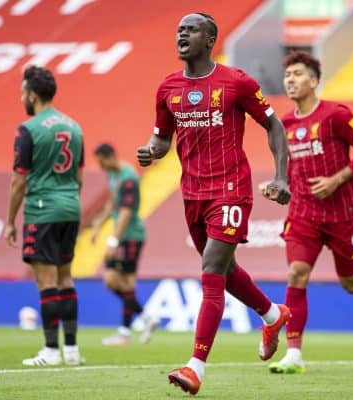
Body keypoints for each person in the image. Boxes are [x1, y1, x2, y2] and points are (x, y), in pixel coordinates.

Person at [136, 13, 292, 396]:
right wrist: (151, 151)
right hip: (191, 193)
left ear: (210, 40)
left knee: (211, 271)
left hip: (230, 188)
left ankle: (195, 367)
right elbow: (162, 139)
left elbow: (274, 125)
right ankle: (273, 315)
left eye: (191, 29)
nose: (182, 34)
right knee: (226, 268)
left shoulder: (236, 82)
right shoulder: (167, 88)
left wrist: (281, 176)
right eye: (179, 29)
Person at [260, 50, 353, 374]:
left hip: (343, 213)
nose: (290, 80)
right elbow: (285, 170)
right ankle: (294, 354)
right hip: (303, 214)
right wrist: (276, 185)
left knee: (351, 283)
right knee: (297, 273)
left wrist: (336, 179)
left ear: (313, 80)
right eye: (287, 76)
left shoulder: (336, 115)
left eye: (297, 74)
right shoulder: (282, 126)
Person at [4, 65, 84, 366]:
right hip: (71, 208)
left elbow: (19, 181)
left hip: (42, 210)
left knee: (46, 281)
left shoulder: (29, 130)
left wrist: (10, 221)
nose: (22, 98)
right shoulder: (75, 127)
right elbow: (79, 176)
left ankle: (51, 351)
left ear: (33, 94)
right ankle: (73, 351)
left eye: (23, 92)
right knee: (66, 278)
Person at [91, 143, 158, 345]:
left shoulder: (128, 176)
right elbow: (113, 201)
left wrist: (113, 240)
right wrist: (98, 224)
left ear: (110, 157)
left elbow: (127, 212)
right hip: (123, 235)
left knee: (112, 279)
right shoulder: (114, 175)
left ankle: (142, 320)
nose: (100, 167)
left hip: (130, 235)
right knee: (125, 284)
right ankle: (128, 331)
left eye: (101, 162)